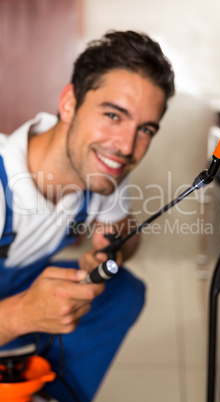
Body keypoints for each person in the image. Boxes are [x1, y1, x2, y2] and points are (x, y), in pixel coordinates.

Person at [0, 30, 175, 401]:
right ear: (69, 103)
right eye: (113, 115)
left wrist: (113, 248)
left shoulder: (104, 169)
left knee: (121, 292)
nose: (127, 147)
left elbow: (122, 227)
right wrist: (20, 316)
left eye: (145, 129)